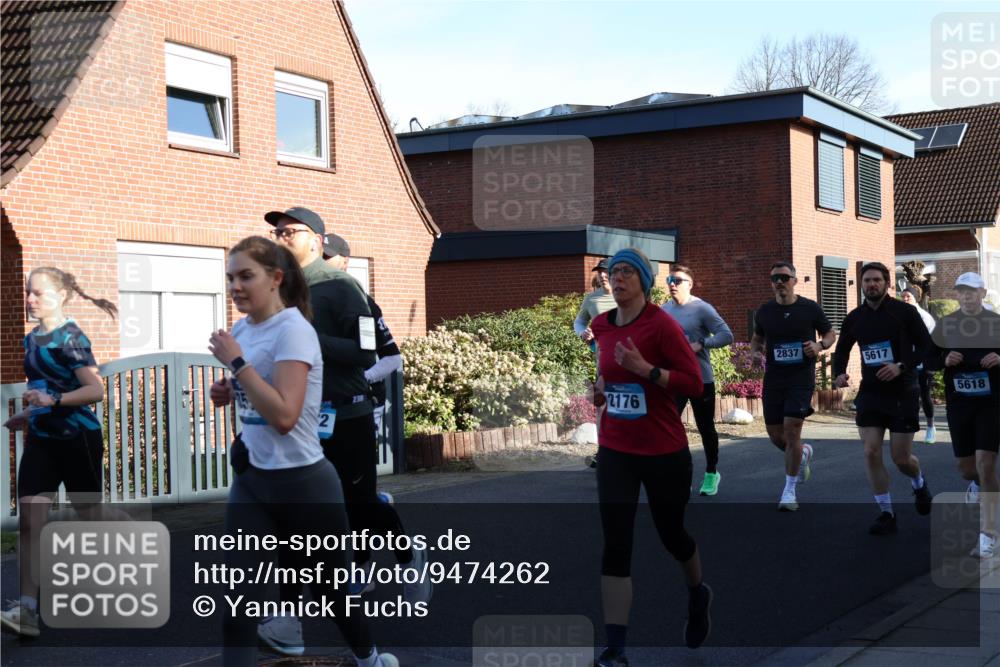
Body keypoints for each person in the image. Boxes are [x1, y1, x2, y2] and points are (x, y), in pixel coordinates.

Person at [207, 237, 397, 666]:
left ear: (275, 279)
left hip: (305, 483)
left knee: (332, 592)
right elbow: (256, 391)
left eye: (245, 276)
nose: (235, 286)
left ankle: (369, 659)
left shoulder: (295, 329)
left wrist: (238, 366)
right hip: (254, 481)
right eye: (230, 277)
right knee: (237, 603)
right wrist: (228, 389)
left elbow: (286, 415)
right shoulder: (242, 330)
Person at [261, 207, 430, 655]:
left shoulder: (340, 285)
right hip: (299, 421)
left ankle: (407, 555)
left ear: (314, 239)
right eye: (274, 231)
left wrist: (308, 338)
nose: (279, 236)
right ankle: (289, 620)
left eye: (288, 231)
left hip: (346, 418)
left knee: (358, 510)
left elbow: (365, 351)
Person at [589, 248, 712, 666]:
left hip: (663, 452)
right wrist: (600, 391)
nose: (617, 278)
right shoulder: (600, 325)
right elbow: (606, 373)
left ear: (643, 280)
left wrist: (647, 370)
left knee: (672, 535)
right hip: (616, 451)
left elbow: (694, 384)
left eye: (626, 272)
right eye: (613, 271)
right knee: (616, 545)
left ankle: (697, 593)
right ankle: (615, 648)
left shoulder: (662, 326)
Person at [0, 267, 117, 638]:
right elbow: (42, 388)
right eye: (28, 293)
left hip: (77, 438)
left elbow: (95, 390)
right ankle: (28, 611)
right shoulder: (31, 340)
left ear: (62, 296)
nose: (30, 300)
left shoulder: (70, 337)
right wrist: (28, 412)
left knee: (91, 516)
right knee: (31, 519)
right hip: (41, 439)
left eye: (38, 294)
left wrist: (54, 400)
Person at [833, 262, 934, 535]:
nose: (871, 285)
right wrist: (839, 374)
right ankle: (886, 513)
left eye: (877, 280)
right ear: (861, 284)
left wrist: (901, 365)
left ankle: (919, 484)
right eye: (867, 281)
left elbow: (926, 347)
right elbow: (841, 351)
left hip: (903, 390)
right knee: (870, 451)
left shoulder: (904, 312)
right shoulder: (855, 318)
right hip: (871, 392)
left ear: (887, 283)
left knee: (901, 458)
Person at [749, 262, 835, 512]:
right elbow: (757, 338)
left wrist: (819, 346)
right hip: (774, 378)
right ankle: (802, 453)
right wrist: (756, 352)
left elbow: (830, 334)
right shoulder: (765, 311)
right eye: (775, 277)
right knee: (777, 436)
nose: (779, 281)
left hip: (800, 377)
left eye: (785, 277)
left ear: (795, 281)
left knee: (792, 429)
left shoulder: (809, 308)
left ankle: (789, 491)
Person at [926, 273, 999, 558]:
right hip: (960, 406)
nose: (967, 296)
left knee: (986, 463)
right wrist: (944, 359)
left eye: (972, 291)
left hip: (991, 404)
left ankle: (989, 533)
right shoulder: (947, 326)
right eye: (962, 292)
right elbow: (928, 358)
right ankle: (979, 484)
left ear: (982, 293)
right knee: (968, 469)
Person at [323, 232, 403, 483]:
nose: (321, 262)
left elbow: (392, 358)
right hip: (320, 407)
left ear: (345, 261)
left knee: (356, 484)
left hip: (360, 404)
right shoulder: (309, 298)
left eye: (328, 257)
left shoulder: (362, 302)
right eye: (319, 256)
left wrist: (364, 378)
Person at [662, 265, 733, 496]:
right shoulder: (664, 310)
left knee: (705, 428)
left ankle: (712, 473)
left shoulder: (702, 308)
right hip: (674, 379)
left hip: (700, 378)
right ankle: (679, 474)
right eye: (669, 279)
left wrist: (702, 343)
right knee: (668, 427)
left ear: (690, 284)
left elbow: (726, 335)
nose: (672, 284)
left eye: (678, 280)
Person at [575, 259, 616, 468]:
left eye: (606, 271)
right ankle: (603, 452)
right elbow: (579, 321)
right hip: (602, 358)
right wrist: (583, 332)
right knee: (602, 405)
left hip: (628, 360)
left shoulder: (625, 297)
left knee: (624, 404)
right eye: (599, 272)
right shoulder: (591, 299)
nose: (602, 275)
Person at [900, 287, 938, 443]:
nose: (905, 299)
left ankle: (931, 426)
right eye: (902, 296)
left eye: (908, 296)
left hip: (924, 362)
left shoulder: (925, 317)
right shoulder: (899, 315)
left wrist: (930, 361)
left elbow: (932, 341)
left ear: (916, 298)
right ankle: (910, 427)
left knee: (924, 393)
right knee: (909, 394)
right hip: (907, 362)